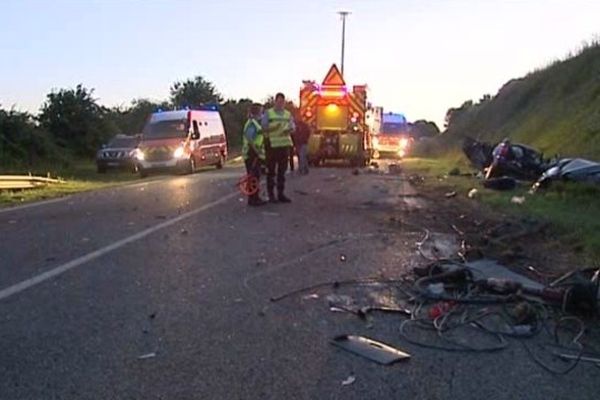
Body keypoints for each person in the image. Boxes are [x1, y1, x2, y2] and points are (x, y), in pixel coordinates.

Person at [262, 93, 295, 203]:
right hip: (272, 146)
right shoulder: (268, 113)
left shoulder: (287, 114)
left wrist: (289, 130)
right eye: (279, 101)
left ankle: (281, 194)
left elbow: (293, 127)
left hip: (284, 146)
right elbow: (264, 128)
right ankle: (271, 195)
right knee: (271, 172)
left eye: (282, 102)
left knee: (282, 172)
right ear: (275, 101)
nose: (281, 104)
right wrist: (273, 129)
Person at [242, 104, 267, 206]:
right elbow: (250, 138)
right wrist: (256, 150)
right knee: (253, 177)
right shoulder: (252, 124)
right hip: (251, 153)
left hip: (254, 153)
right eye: (262, 111)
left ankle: (255, 197)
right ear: (257, 112)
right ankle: (253, 199)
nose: (262, 114)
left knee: (255, 176)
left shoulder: (255, 123)